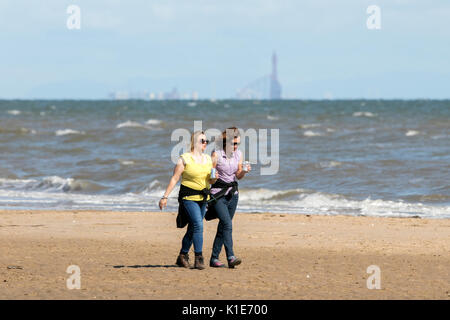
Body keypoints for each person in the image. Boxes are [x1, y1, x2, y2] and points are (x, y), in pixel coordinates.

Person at [159, 130, 217, 270]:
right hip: (188, 197)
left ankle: (182, 255)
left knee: (193, 228)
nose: (205, 143)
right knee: (198, 225)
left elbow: (210, 180)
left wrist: (214, 179)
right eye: (202, 141)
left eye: (206, 141)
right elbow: (175, 178)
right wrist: (164, 197)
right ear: (194, 142)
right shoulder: (184, 158)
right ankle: (199, 258)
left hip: (203, 197)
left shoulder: (208, 159)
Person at [208, 127, 251, 268]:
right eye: (233, 143)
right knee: (227, 224)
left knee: (223, 226)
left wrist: (244, 171)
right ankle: (231, 257)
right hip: (218, 194)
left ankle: (214, 258)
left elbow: (238, 176)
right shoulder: (216, 154)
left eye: (237, 144)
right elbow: (209, 178)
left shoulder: (239, 154)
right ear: (225, 142)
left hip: (233, 194)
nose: (235, 146)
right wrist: (212, 177)